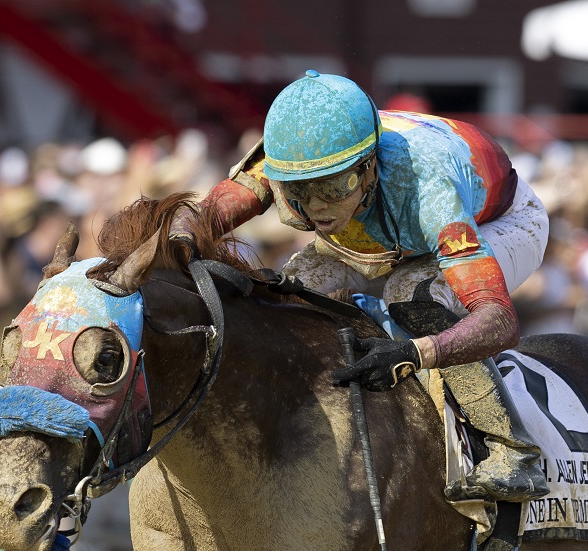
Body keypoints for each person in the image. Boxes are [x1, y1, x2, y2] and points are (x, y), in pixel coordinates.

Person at [171, 70, 549, 503]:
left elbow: (499, 321)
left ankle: (514, 452)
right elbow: (196, 220)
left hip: (501, 221)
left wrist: (414, 354)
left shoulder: (429, 190)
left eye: (333, 186)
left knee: (411, 293)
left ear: (368, 167)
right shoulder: (290, 157)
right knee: (293, 287)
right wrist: (175, 244)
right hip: (384, 231)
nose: (315, 207)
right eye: (296, 191)